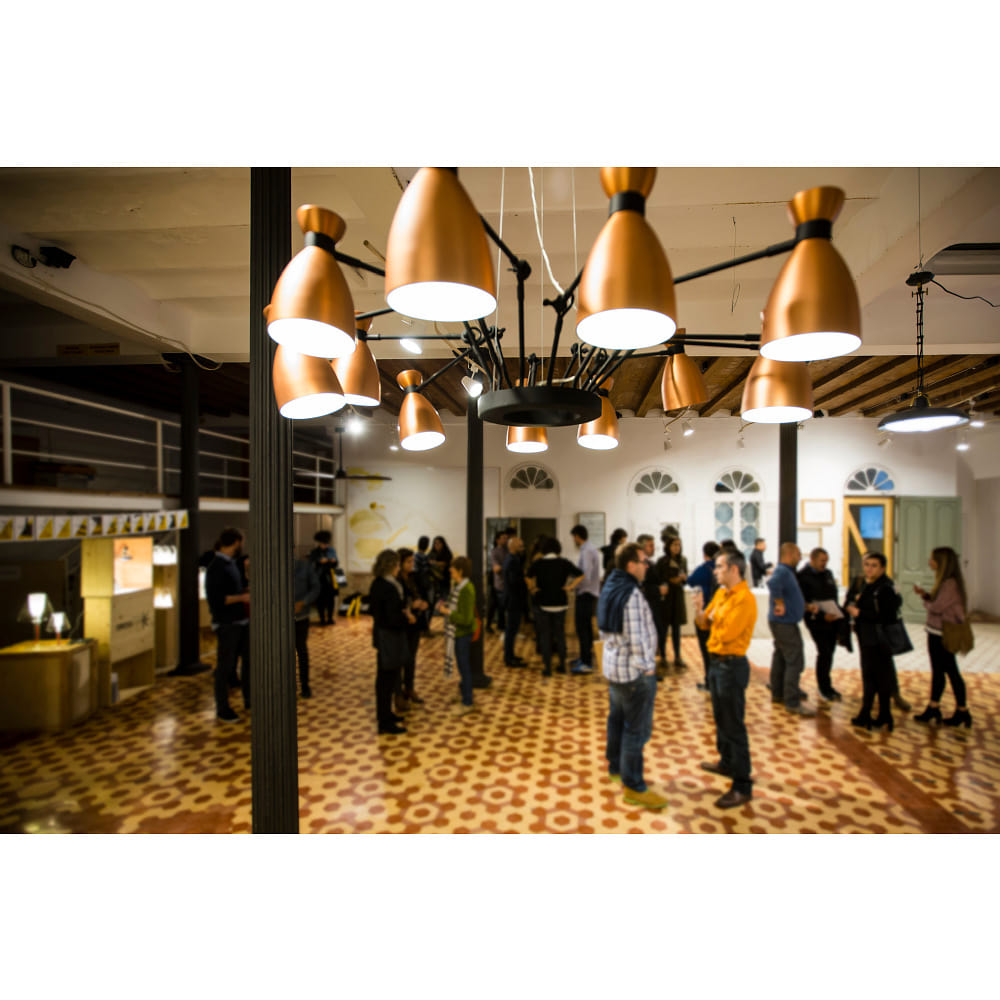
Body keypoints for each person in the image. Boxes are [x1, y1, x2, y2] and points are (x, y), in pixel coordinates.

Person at [597, 542, 666, 811]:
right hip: (634, 673)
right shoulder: (632, 594)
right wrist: (647, 667)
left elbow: (603, 629)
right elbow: (638, 639)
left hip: (615, 668)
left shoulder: (610, 585)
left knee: (617, 720)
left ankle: (616, 767)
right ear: (630, 565)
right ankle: (634, 786)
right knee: (636, 730)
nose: (647, 565)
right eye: (643, 561)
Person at [693, 548, 758, 809]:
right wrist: (701, 611)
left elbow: (727, 633)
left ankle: (742, 785)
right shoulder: (721, 593)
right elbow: (703, 624)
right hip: (716, 663)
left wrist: (712, 616)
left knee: (734, 725)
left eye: (719, 567)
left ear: (734, 569)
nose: (715, 571)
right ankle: (727, 763)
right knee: (721, 719)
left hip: (732, 666)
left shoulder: (744, 599)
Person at [913, 547, 972, 727]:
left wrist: (926, 601)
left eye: (932, 559)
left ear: (941, 562)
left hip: (942, 634)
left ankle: (962, 710)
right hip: (936, 632)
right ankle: (934, 706)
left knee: (951, 671)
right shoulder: (945, 582)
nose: (929, 562)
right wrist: (926, 595)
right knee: (939, 671)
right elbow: (938, 602)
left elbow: (937, 608)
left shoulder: (949, 584)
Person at [844, 551, 902, 732]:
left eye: (874, 565)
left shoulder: (885, 587)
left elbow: (887, 616)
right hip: (866, 636)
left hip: (878, 639)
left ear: (882, 568)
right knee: (872, 676)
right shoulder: (865, 584)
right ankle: (882, 714)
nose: (869, 569)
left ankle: (869, 713)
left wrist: (860, 613)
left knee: (875, 677)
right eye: (867, 565)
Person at [204, 527, 250, 722]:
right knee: (225, 667)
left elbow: (234, 590)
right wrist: (242, 597)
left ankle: (250, 699)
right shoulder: (216, 567)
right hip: (227, 623)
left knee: (248, 661)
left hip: (241, 621)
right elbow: (217, 599)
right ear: (236, 543)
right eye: (242, 543)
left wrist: (244, 591)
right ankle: (222, 708)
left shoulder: (230, 564)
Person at [368, 549, 414, 735]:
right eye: (396, 564)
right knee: (385, 680)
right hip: (389, 637)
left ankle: (387, 715)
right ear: (390, 566)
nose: (398, 568)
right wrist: (407, 618)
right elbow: (391, 617)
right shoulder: (386, 586)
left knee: (388, 677)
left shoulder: (381, 583)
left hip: (386, 635)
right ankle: (384, 722)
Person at [767, 542, 816, 717]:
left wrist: (805, 606)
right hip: (785, 624)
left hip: (782, 622)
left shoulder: (786, 572)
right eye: (798, 554)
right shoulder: (782, 571)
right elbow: (773, 583)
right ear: (789, 554)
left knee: (781, 657)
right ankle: (792, 702)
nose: (800, 558)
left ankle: (778, 693)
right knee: (795, 660)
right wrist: (779, 603)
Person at [525, 536, 584, 678]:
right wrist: (570, 587)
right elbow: (581, 575)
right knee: (560, 634)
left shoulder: (538, 563)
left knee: (545, 636)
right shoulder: (564, 562)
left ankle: (547, 668)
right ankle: (562, 665)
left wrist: (532, 588)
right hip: (560, 602)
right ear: (558, 548)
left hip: (543, 602)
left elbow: (527, 576)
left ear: (544, 549)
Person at [797, 547, 844, 703]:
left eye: (826, 561)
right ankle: (824, 687)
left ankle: (827, 686)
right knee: (824, 652)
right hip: (816, 620)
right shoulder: (803, 576)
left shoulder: (827, 573)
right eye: (822, 561)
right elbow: (803, 601)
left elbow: (832, 594)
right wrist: (822, 615)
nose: (825, 564)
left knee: (830, 652)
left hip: (832, 618)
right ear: (812, 559)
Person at [437, 555, 477, 715]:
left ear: (460, 571)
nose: (449, 570)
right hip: (458, 633)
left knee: (464, 667)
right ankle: (464, 693)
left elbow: (466, 619)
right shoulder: (458, 586)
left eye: (452, 567)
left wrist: (447, 612)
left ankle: (468, 702)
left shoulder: (466, 589)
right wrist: (446, 606)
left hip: (463, 633)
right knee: (462, 666)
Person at [397, 546, 430, 710]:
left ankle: (409, 688)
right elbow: (397, 603)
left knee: (411, 657)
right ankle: (398, 692)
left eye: (413, 561)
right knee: (400, 658)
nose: (412, 565)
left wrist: (423, 603)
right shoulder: (396, 580)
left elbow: (422, 593)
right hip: (402, 624)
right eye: (409, 562)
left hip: (415, 622)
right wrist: (411, 605)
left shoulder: (414, 577)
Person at [687, 541, 721, 692]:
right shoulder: (720, 569)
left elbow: (690, 581)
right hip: (718, 614)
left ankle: (710, 682)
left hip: (705, 613)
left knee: (706, 650)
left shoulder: (702, 570)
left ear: (704, 554)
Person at [570, 524, 602, 675]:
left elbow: (586, 575)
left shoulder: (588, 551)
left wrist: (572, 586)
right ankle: (584, 658)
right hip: (587, 593)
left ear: (577, 536)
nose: (573, 540)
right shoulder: (587, 549)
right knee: (585, 628)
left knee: (583, 629)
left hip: (586, 594)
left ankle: (586, 663)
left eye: (573, 537)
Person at [658, 535, 689, 671]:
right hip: (666, 597)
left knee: (677, 628)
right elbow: (661, 578)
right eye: (674, 545)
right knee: (663, 629)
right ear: (668, 546)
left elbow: (685, 578)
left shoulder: (683, 560)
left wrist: (683, 578)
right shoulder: (662, 561)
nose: (677, 547)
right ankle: (663, 656)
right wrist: (672, 580)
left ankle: (677, 656)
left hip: (678, 596)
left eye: (678, 545)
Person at [293, 553, 320, 698]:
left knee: (301, 651)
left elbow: (316, 588)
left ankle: (305, 686)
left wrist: (303, 602)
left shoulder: (305, 567)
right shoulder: (273, 569)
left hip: (301, 617)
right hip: (280, 620)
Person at [502, 534, 528, 667]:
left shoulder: (513, 558)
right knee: (511, 630)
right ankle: (509, 658)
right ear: (512, 546)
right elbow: (514, 581)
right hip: (513, 599)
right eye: (520, 546)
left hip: (513, 598)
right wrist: (525, 581)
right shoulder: (512, 560)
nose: (522, 548)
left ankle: (511, 655)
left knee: (512, 630)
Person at [309, 530, 339, 626]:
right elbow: (311, 565)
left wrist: (333, 561)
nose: (325, 545)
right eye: (324, 543)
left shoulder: (331, 551)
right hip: (319, 578)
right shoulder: (314, 552)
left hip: (330, 578)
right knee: (320, 600)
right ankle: (322, 618)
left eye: (327, 543)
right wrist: (319, 562)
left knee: (331, 599)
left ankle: (330, 618)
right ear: (319, 543)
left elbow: (336, 563)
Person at [487, 529, 509, 634]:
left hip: (506, 583)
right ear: (497, 540)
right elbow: (496, 568)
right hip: (497, 583)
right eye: (503, 538)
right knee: (494, 605)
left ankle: (501, 626)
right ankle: (489, 625)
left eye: (506, 538)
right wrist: (508, 566)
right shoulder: (494, 552)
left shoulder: (508, 551)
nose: (506, 540)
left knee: (502, 607)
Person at [428, 535, 453, 611]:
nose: (437, 545)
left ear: (443, 544)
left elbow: (445, 563)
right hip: (434, 583)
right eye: (435, 543)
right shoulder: (431, 554)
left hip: (445, 582)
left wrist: (435, 563)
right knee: (434, 603)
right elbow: (429, 564)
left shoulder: (447, 554)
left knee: (444, 602)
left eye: (439, 543)